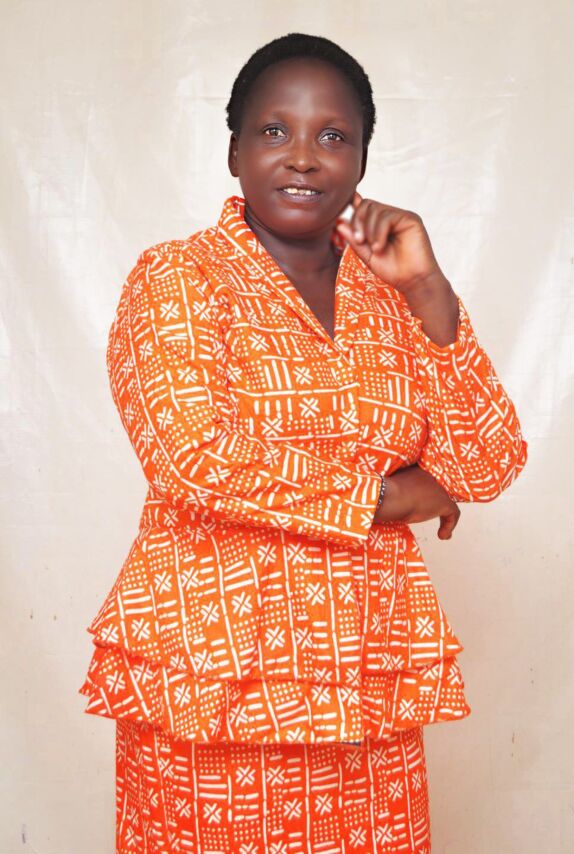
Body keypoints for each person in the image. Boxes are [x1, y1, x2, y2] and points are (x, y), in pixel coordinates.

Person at [78, 31, 528, 853]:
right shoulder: (179, 277)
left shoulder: (391, 298)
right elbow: (193, 458)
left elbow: (486, 463)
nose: (303, 156)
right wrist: (384, 497)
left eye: (333, 136)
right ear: (233, 152)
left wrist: (428, 289)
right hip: (215, 675)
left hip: (368, 677)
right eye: (274, 130)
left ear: (360, 162)